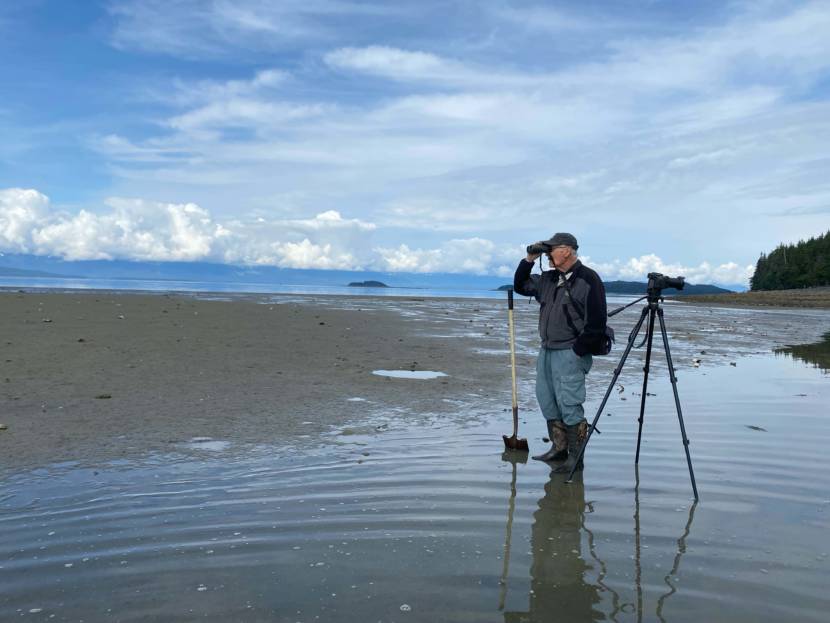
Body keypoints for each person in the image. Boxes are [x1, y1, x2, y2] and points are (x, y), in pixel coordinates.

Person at [513, 233, 607, 473]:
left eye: (551, 249)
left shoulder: (589, 279)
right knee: (547, 400)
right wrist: (529, 259)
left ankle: (576, 458)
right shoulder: (548, 278)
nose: (548, 254)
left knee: (569, 404)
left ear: (566, 251)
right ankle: (559, 449)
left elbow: (597, 323)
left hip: (570, 352)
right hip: (547, 349)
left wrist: (577, 351)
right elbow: (520, 285)